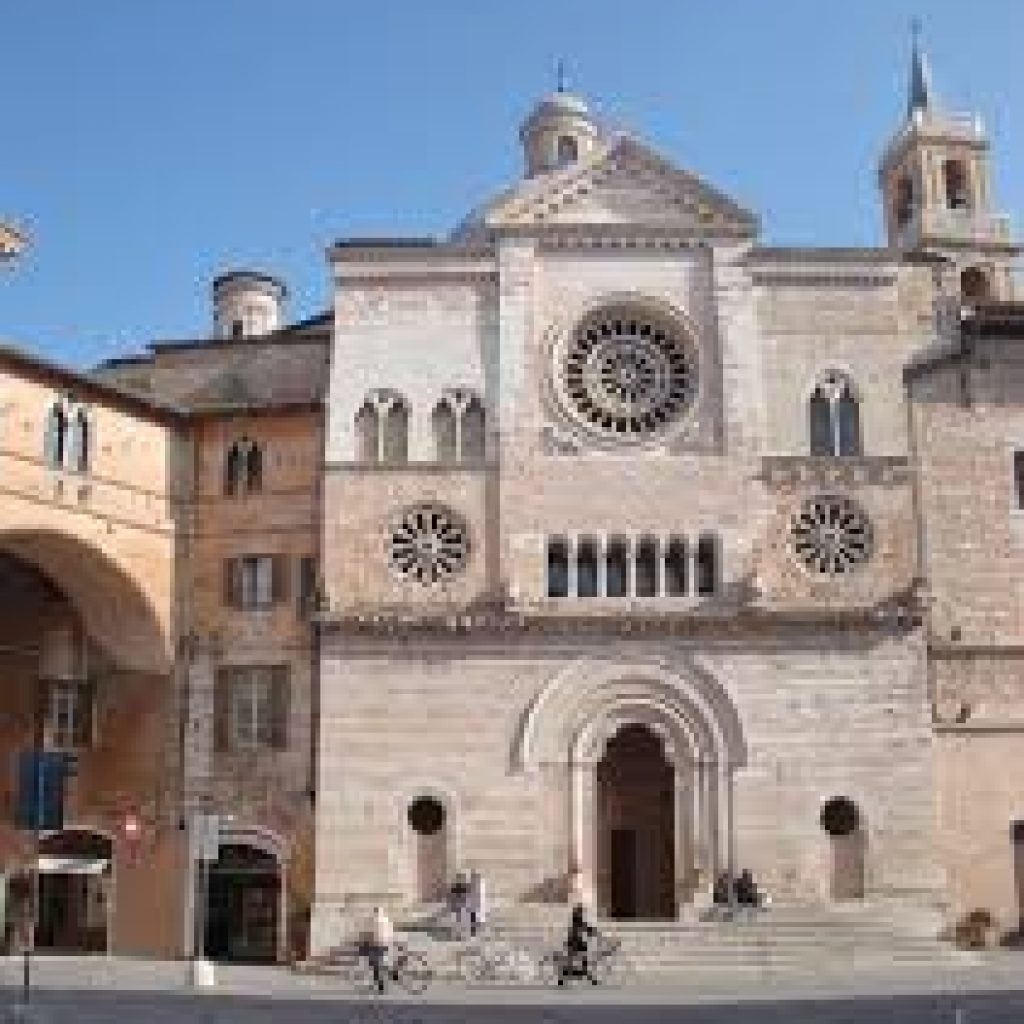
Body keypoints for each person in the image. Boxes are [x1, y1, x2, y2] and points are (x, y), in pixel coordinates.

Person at [561, 903, 598, 985]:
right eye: (580, 911)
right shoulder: (577, 921)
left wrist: (590, 930)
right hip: (575, 942)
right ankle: (578, 971)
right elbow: (584, 927)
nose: (581, 913)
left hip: (574, 942)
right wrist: (590, 930)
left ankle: (570, 972)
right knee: (579, 955)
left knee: (577, 956)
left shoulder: (576, 921)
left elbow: (584, 927)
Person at [364, 905, 393, 993]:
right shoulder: (386, 920)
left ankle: (378, 982)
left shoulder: (372, 921)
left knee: (375, 964)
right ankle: (382, 981)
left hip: (376, 944)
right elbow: (390, 931)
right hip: (384, 944)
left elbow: (370, 933)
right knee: (381, 962)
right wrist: (389, 941)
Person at [449, 871, 471, 937]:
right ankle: (460, 934)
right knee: (459, 924)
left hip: (460, 909)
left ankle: (459, 934)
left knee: (459, 924)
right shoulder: (464, 888)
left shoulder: (462, 888)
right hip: (460, 909)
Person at [467, 869, 487, 938]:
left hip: (476, 906)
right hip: (473, 906)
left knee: (476, 919)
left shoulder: (480, 886)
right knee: (474, 920)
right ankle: (474, 933)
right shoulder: (472, 887)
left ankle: (475, 933)